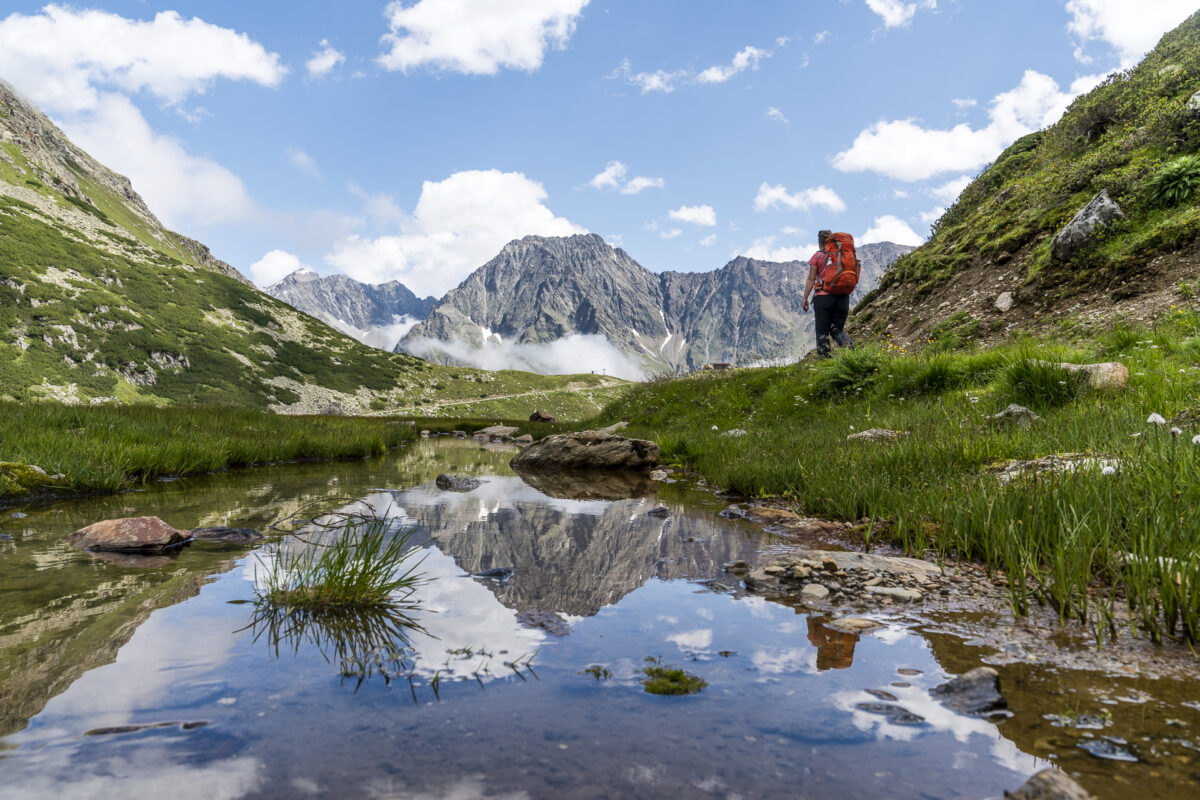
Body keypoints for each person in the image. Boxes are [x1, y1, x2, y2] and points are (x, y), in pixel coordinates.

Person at [802, 229, 855, 358]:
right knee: (837, 331)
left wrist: (805, 298)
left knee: (822, 332)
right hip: (843, 297)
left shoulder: (818, 256)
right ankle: (854, 356)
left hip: (823, 298)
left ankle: (825, 364)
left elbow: (811, 279)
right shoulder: (843, 256)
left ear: (820, 242)